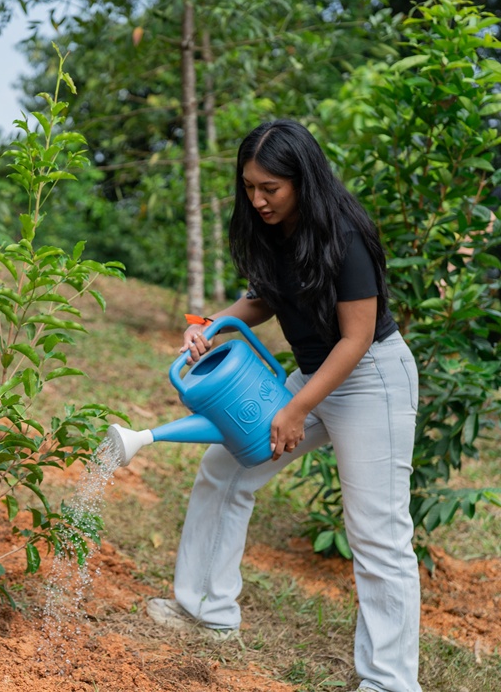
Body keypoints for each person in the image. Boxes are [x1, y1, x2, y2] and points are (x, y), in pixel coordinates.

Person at [147, 119, 422, 692]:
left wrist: (296, 409)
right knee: (225, 468)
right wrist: (212, 326)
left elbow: (357, 337)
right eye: (249, 186)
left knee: (377, 532)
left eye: (270, 188)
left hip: (370, 377)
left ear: (303, 180)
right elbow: (266, 298)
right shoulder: (272, 229)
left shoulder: (344, 232)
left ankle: (390, 682)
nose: (257, 199)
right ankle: (205, 611)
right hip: (318, 372)